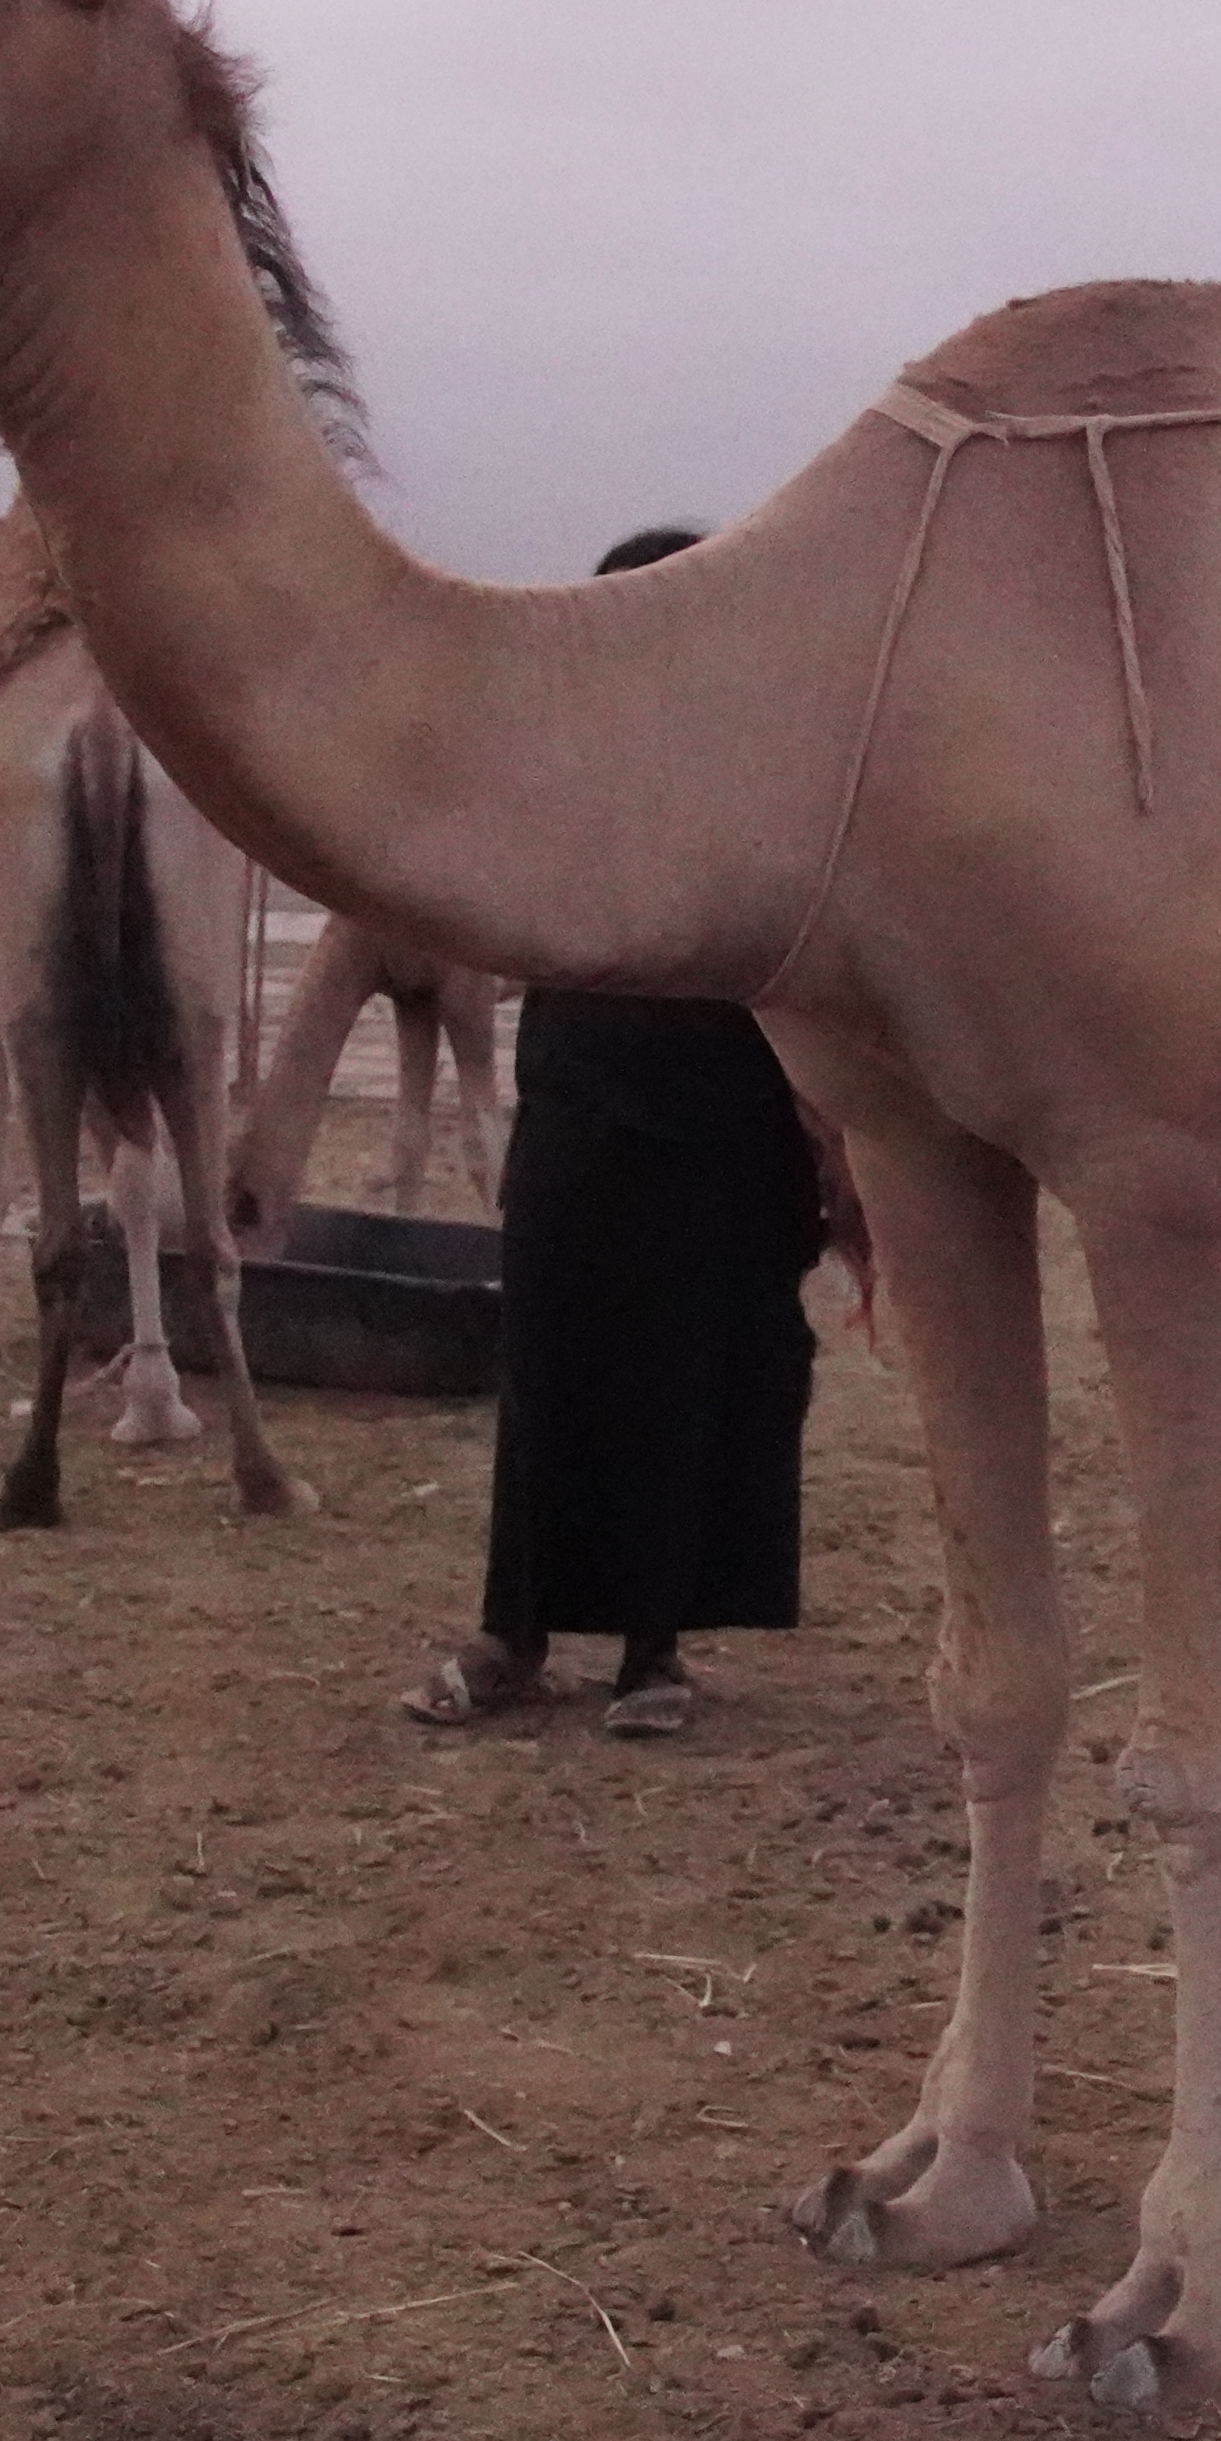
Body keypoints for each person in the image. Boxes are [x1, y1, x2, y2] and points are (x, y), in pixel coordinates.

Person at [405, 527, 833, 1738]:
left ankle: (655, 1649)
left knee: (690, 1370)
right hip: (579, 1094)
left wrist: (835, 1136)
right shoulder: (558, 770)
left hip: (724, 1110)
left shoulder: (766, 775)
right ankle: (517, 1631)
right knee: (547, 1354)